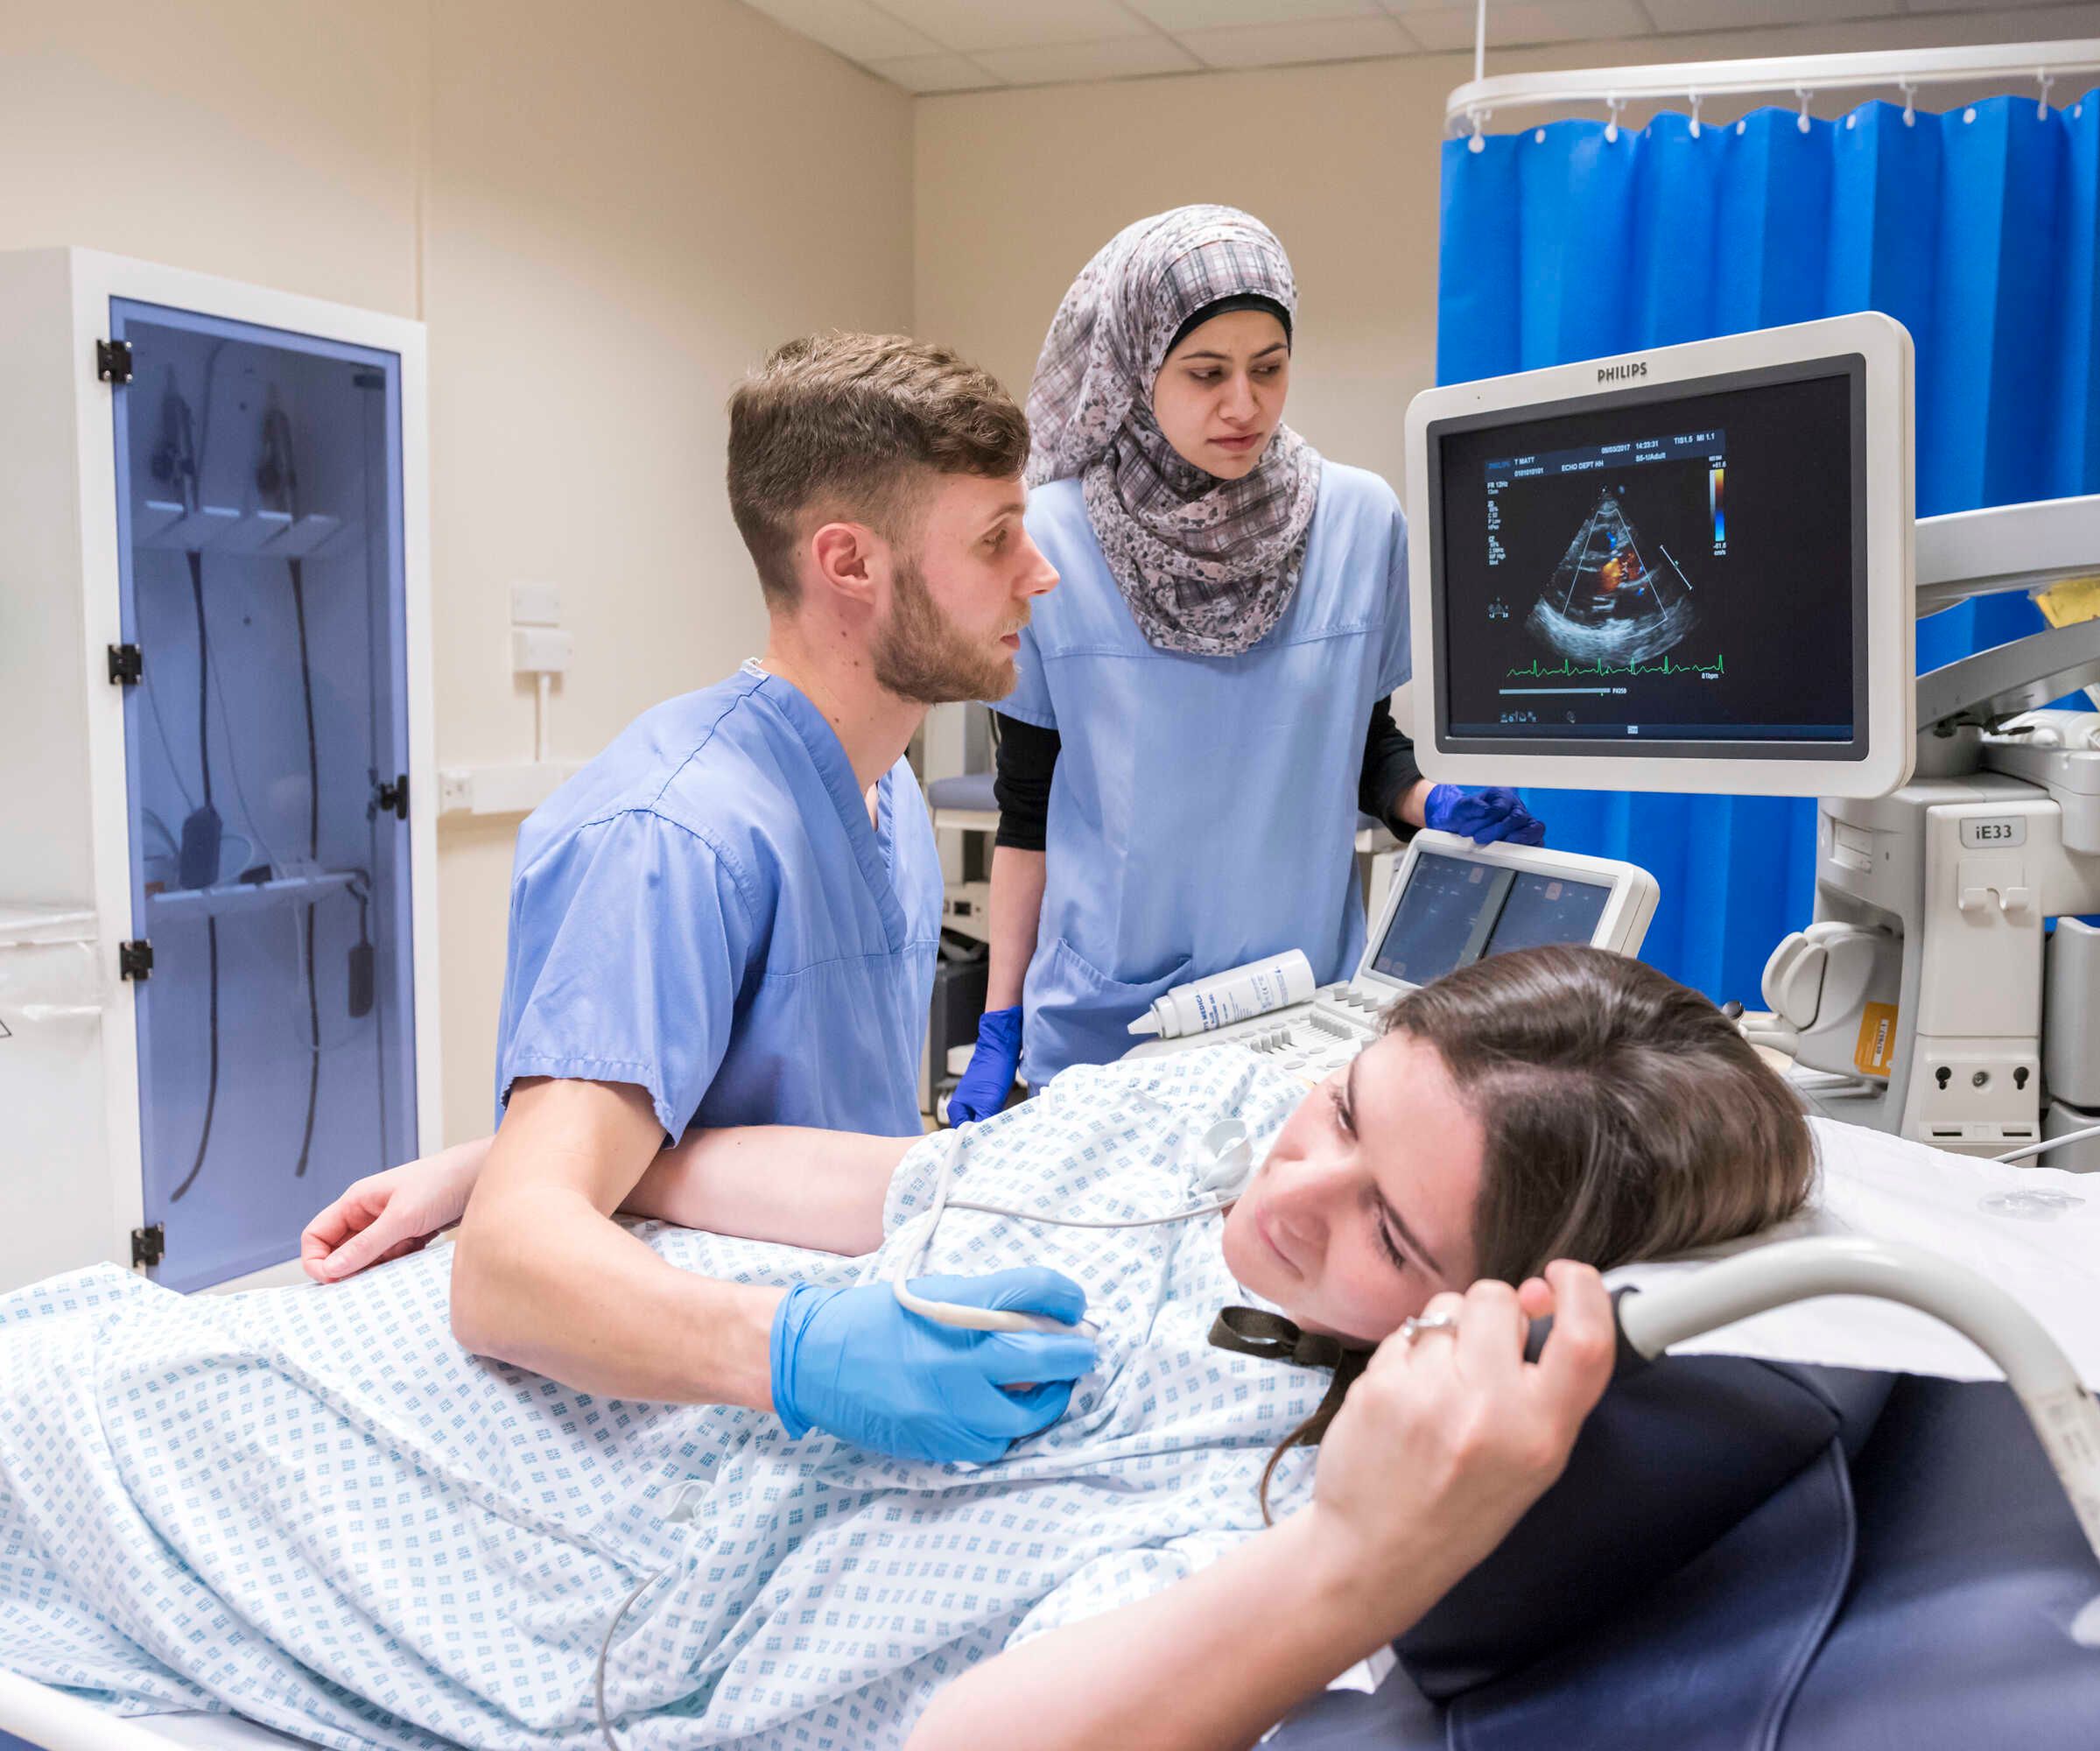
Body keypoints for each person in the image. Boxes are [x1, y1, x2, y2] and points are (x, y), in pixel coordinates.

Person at [27, 948, 1813, 1749]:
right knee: (84, 1349)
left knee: (57, 1416)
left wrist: (1360, 1559)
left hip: (505, 1569)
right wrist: (521, 1181)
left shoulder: (1277, 1485)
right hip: (502, 1356)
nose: (1293, 1191)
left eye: (1389, 1234)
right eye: (1340, 1110)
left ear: (1490, 1316)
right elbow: (888, 1181)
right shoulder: (1216, 1118)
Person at [358, 331, 1104, 1471]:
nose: (1037, 573)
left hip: (801, 1399)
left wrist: (496, 1157)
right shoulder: (669, 836)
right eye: (997, 539)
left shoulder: (886, 799)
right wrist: (806, 1350)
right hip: (669, 1421)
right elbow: (510, 1270)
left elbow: (710, 1134)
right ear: (849, 563)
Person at [946, 206, 1544, 1125]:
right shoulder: (1053, 536)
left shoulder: (1359, 521)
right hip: (1112, 1024)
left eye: (1269, 368)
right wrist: (999, 1022)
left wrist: (1430, 803)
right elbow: (1026, 812)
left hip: (1298, 1016)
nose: (1244, 405)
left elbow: (1361, 746)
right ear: (1135, 368)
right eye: (1206, 373)